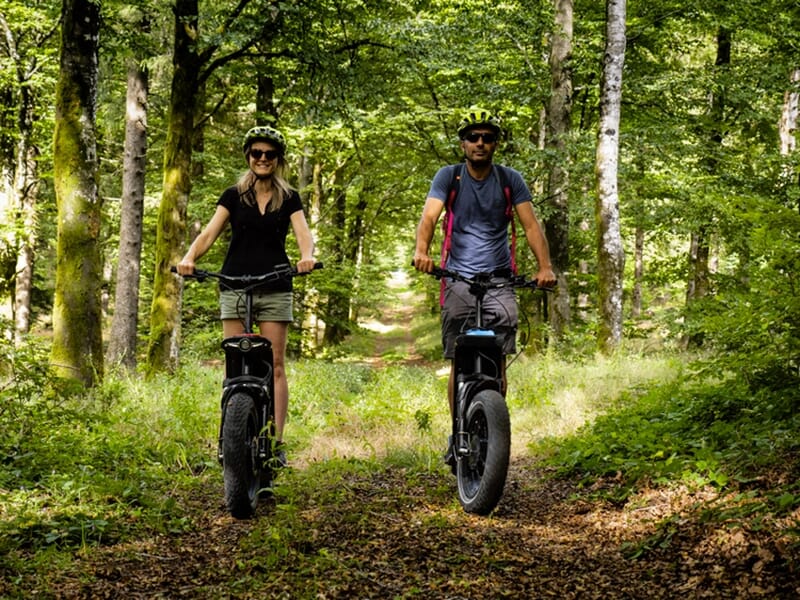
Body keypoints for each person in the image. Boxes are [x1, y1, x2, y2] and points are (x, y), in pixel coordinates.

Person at [412, 108, 556, 464]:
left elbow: (531, 226)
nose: (480, 143)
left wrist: (545, 267)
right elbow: (430, 216)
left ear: (495, 143)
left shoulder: (510, 179)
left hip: (500, 279)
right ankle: (457, 432)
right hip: (458, 277)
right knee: (460, 359)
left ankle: (493, 434)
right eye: (473, 137)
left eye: (487, 137)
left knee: (498, 360)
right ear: (463, 143)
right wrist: (421, 252)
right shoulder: (450, 177)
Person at [177, 125, 316, 466]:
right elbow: (210, 232)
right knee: (234, 362)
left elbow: (303, 235)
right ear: (248, 157)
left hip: (275, 285)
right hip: (234, 284)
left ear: (278, 159)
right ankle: (233, 435)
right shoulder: (233, 195)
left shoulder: (289, 197)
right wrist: (189, 258)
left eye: (269, 154)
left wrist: (306, 257)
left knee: (275, 365)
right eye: (257, 153)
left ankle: (277, 443)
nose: (263, 159)